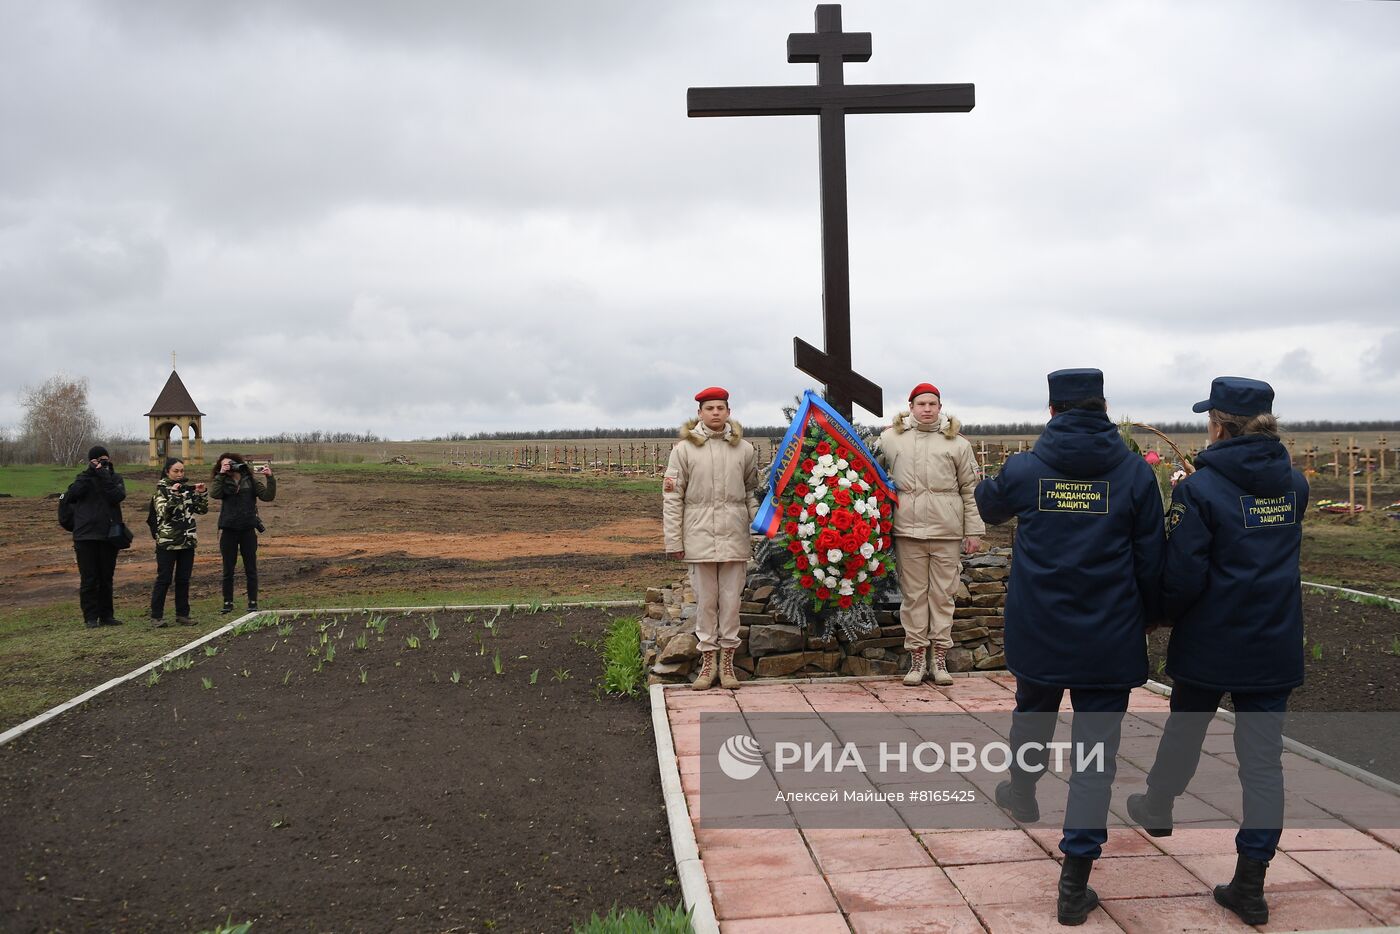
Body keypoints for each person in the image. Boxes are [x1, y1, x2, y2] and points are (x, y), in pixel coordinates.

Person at [974, 368, 1165, 926]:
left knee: (1033, 710)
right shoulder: (1133, 474)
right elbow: (1152, 559)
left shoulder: (1027, 467)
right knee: (1095, 754)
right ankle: (1075, 878)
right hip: (1109, 634)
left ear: (1052, 411)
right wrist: (1150, 618)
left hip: (1040, 627)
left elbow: (989, 508)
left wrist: (994, 481)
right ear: (1104, 407)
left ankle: (1023, 792)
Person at [1126, 377, 1308, 926]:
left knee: (1186, 725)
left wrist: (1158, 613)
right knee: (1263, 763)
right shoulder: (1294, 485)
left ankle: (1158, 805)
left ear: (1220, 425)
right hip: (1273, 638)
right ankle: (1251, 882)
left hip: (1212, 635)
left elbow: (1184, 573)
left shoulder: (1200, 490)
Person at [876, 382, 985, 686]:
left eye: (932, 404)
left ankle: (939, 659)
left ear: (940, 407)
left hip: (945, 531)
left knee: (942, 595)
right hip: (907, 530)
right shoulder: (890, 440)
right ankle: (916, 658)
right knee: (913, 597)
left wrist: (973, 530)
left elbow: (969, 489)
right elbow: (873, 479)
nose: (927, 409)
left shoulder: (957, 444)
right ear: (910, 407)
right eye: (921, 404)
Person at [662, 387, 759, 691]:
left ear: (728, 412)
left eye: (721, 407)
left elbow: (750, 493)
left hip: (734, 537)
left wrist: (760, 524)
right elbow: (672, 496)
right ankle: (707, 665)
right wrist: (674, 541)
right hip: (699, 536)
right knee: (706, 603)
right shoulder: (684, 450)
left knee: (731, 603)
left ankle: (727, 665)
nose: (716, 413)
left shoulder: (744, 449)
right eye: (710, 408)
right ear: (700, 413)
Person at [65, 445, 128, 628]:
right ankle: (90, 617)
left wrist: (104, 476)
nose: (102, 462)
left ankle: (107, 615)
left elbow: (117, 496)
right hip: (85, 536)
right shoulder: (83, 478)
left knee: (106, 577)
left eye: (105, 459)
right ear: (91, 462)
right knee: (89, 578)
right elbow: (73, 494)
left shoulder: (115, 479)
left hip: (109, 535)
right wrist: (90, 473)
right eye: (98, 460)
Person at [209, 452, 276, 613]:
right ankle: (227, 602)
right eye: (224, 465)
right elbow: (214, 494)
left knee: (250, 568)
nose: (228, 467)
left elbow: (268, 496)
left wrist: (270, 478)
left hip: (247, 529)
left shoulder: (250, 481)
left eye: (230, 464)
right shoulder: (222, 481)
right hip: (229, 530)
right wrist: (221, 474)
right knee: (228, 569)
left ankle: (252, 602)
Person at [149, 457, 209, 627]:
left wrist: (201, 493)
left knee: (183, 579)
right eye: (176, 471)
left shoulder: (186, 489)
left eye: (182, 470)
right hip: (168, 542)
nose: (179, 474)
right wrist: (174, 495)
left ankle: (183, 614)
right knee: (164, 579)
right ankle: (156, 616)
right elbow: (164, 513)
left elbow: (202, 510)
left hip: (187, 541)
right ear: (167, 471)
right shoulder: (161, 491)